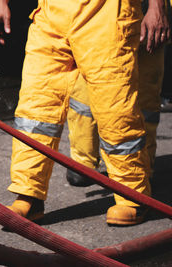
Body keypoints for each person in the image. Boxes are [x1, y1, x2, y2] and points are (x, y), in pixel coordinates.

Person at [0, 0, 170, 226]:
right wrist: (1, 3)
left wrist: (157, 7)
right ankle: (29, 194)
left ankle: (133, 195)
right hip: (51, 15)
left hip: (106, 14)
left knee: (115, 110)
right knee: (36, 107)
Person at [66, 0, 169, 187]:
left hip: (142, 12)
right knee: (86, 88)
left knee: (142, 95)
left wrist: (156, 8)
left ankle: (138, 169)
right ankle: (82, 161)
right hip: (97, 13)